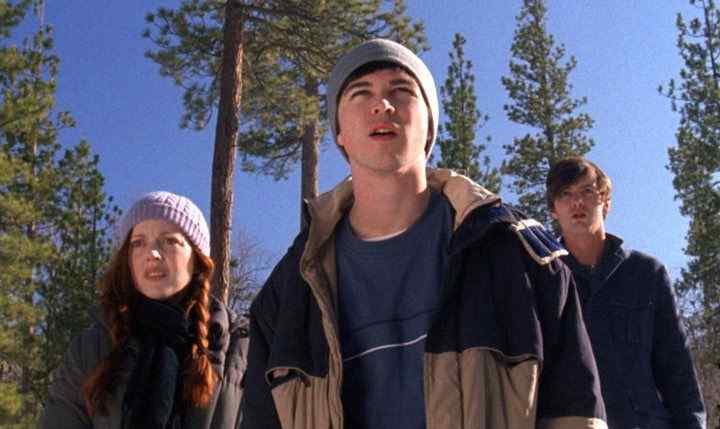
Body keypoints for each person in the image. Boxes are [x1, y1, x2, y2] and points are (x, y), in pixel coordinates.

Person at [240, 38, 607, 429]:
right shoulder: (289, 292)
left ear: (430, 123)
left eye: (401, 90)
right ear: (339, 132)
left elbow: (576, 413)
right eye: (361, 94)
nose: (382, 105)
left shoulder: (516, 254)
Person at [40, 191, 247, 428]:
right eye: (138, 243)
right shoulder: (91, 348)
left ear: (197, 258)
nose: (152, 254)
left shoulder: (241, 346)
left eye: (169, 241)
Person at [546, 157, 706, 429]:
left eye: (587, 191)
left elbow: (677, 370)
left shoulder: (646, 273)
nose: (577, 203)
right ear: (553, 210)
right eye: (565, 194)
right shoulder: (543, 279)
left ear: (605, 202)